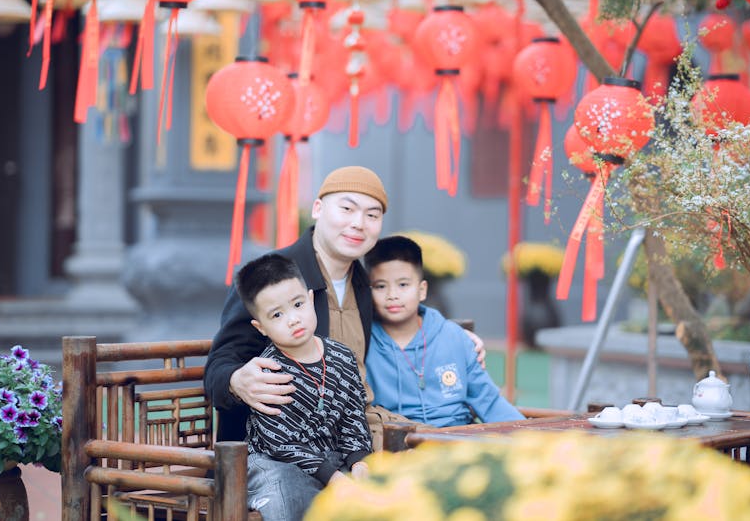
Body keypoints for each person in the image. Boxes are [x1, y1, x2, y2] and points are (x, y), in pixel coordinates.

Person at [204, 165, 484, 446]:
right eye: (347, 209)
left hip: (359, 428)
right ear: (317, 209)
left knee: (454, 453)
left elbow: (400, 312)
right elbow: (220, 362)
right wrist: (237, 380)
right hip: (289, 443)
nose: (359, 223)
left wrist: (454, 336)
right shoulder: (270, 278)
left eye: (372, 215)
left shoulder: (364, 283)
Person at [236, 253, 372, 521]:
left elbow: (353, 418)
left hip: (329, 460)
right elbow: (280, 442)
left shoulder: (342, 357)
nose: (293, 319)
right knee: (288, 494)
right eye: (277, 314)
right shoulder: (268, 372)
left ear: (311, 299)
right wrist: (332, 477)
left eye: (298, 304)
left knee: (372, 491)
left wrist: (359, 461)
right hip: (273, 463)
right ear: (260, 327)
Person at [364, 235, 524, 427]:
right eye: (381, 286)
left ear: (422, 290)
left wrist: (531, 437)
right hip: (396, 444)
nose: (392, 295)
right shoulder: (364, 341)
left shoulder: (454, 337)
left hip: (457, 440)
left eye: (403, 285)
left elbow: (489, 402)